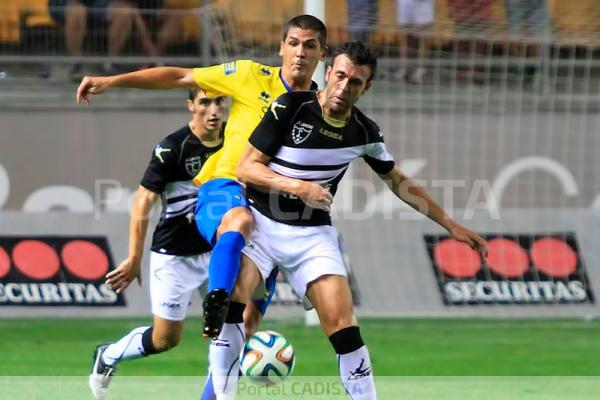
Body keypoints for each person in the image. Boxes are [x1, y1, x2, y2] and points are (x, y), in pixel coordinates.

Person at [210, 41, 488, 399]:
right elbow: (246, 169)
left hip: (311, 236)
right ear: (328, 72)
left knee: (343, 325)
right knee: (234, 301)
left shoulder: (365, 133)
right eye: (340, 76)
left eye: (355, 82)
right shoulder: (290, 107)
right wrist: (300, 187)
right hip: (261, 224)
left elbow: (398, 182)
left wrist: (451, 225)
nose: (344, 87)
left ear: (366, 87)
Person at [76, 14, 328, 339]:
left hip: (274, 203)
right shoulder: (249, 74)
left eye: (309, 46)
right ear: (281, 48)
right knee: (238, 221)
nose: (300, 52)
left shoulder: (320, 107)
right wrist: (112, 81)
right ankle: (217, 298)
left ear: (322, 53)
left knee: (246, 327)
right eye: (293, 43)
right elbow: (180, 75)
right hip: (226, 185)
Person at [87, 88, 269, 400]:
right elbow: (144, 201)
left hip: (216, 252)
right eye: (205, 102)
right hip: (174, 256)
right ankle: (109, 354)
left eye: (219, 103)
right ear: (191, 106)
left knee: (229, 327)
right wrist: (133, 257)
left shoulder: (236, 142)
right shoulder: (173, 148)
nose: (213, 110)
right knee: (165, 339)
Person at [49, 0, 158, 79]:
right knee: (77, 11)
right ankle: (76, 63)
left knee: (123, 12)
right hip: (66, 2)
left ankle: (111, 63)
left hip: (100, 3)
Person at [395, 0, 435, 84]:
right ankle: (404, 68)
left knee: (424, 38)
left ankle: (420, 70)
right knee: (405, 37)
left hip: (423, 5)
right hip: (405, 4)